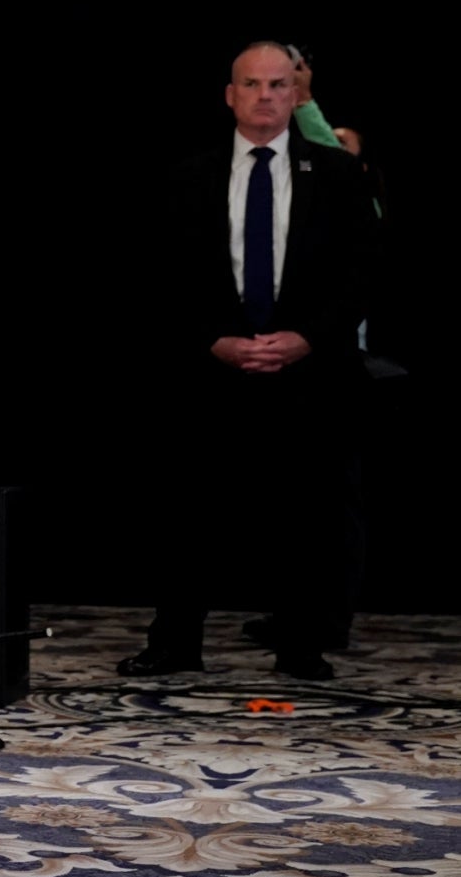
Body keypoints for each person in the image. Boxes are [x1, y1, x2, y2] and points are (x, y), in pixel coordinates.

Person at [120, 42, 374, 682]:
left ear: (297, 94)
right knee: (187, 516)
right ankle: (175, 642)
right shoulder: (186, 177)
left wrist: (307, 338)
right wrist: (213, 339)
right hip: (209, 373)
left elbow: (364, 275)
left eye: (278, 85)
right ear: (230, 95)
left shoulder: (341, 177)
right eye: (252, 84)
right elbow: (161, 280)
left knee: (307, 517)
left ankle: (300, 646)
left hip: (310, 373)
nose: (265, 95)